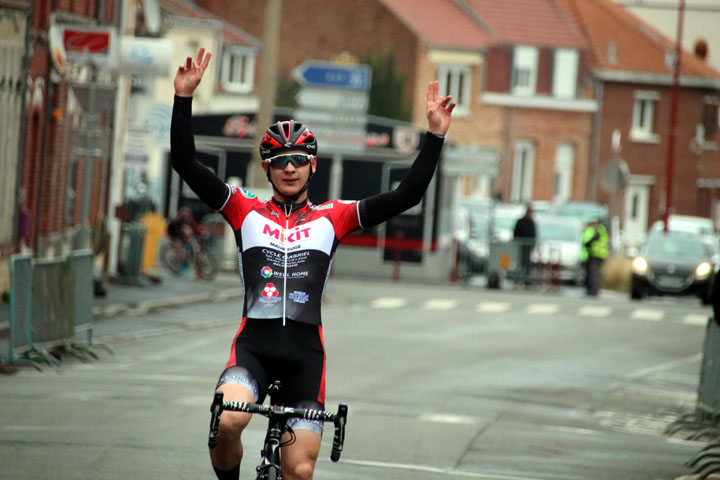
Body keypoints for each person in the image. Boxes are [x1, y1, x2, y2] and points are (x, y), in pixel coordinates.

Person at [171, 48, 455, 480]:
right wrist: (183, 99)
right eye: (280, 160)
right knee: (228, 422)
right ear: (267, 167)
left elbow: (406, 197)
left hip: (306, 358)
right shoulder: (243, 209)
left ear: (312, 165)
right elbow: (187, 164)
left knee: (299, 472)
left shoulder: (333, 217)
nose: (290, 168)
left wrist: (434, 137)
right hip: (253, 350)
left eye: (299, 160)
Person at [581, 217, 608, 296]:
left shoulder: (598, 230)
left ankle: (593, 290)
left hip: (596, 254)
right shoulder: (599, 230)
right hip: (594, 254)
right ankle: (592, 289)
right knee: (593, 273)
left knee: (594, 274)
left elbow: (590, 241)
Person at [513, 204, 536, 286]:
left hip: (528, 246)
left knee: (527, 263)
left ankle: (526, 279)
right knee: (519, 262)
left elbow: (534, 234)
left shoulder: (532, 222)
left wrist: (533, 244)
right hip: (520, 245)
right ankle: (517, 278)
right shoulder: (521, 221)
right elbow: (515, 233)